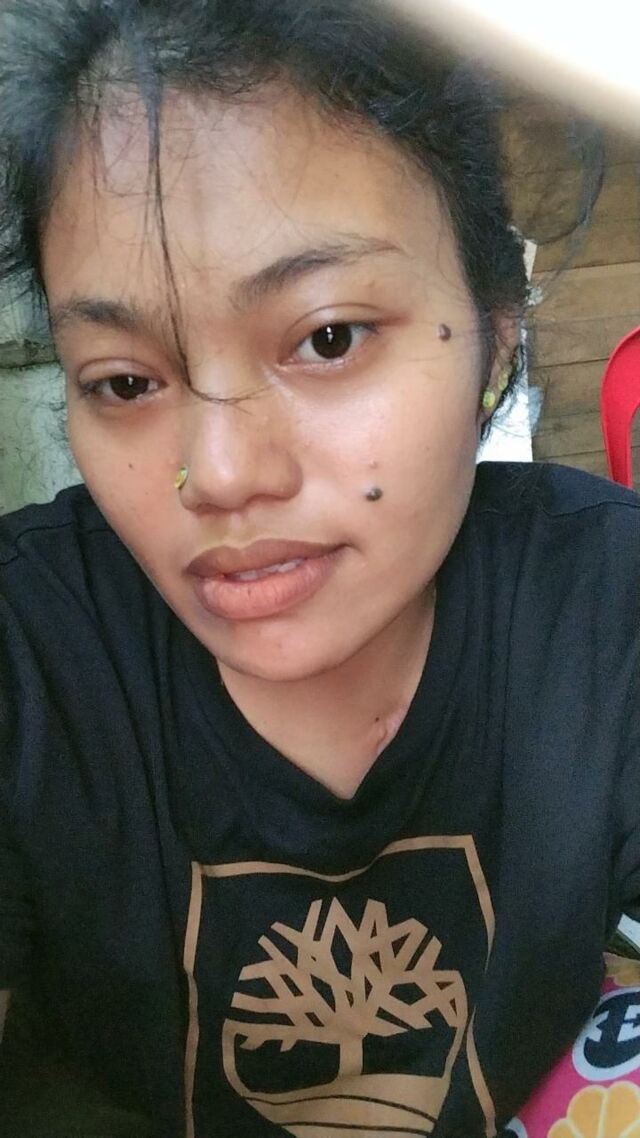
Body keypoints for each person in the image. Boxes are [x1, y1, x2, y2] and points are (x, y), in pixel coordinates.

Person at [0, 1, 638, 1136]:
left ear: (495, 335)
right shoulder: (30, 658)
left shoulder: (607, 608)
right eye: (125, 382)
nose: (219, 474)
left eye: (328, 337)